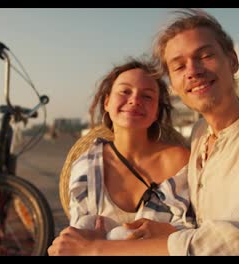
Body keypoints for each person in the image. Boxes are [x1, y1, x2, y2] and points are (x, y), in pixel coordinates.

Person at [48, 9, 239, 256]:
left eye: (205, 56)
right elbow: (202, 224)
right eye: (178, 66)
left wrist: (97, 249)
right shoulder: (201, 135)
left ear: (232, 61)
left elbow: (237, 242)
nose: (193, 71)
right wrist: (169, 231)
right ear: (173, 84)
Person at [51, 57, 195, 250]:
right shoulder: (87, 166)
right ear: (107, 102)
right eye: (125, 91)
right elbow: (78, 233)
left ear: (156, 111)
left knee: (120, 235)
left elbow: (193, 233)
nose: (135, 100)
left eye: (147, 96)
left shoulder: (179, 160)